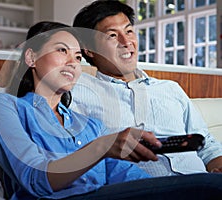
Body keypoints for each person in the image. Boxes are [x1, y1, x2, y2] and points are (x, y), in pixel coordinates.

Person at [0, 20, 222, 200]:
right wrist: (102, 146)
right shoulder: (6, 107)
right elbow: (36, 180)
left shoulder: (89, 125)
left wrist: (168, 189)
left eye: (77, 56)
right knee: (208, 187)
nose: (72, 62)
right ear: (31, 57)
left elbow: (129, 178)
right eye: (61, 50)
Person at [69, 0, 222, 176]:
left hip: (201, 181)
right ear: (89, 50)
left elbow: (207, 144)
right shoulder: (77, 93)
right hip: (140, 187)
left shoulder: (170, 89)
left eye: (128, 31)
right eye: (112, 35)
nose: (126, 42)